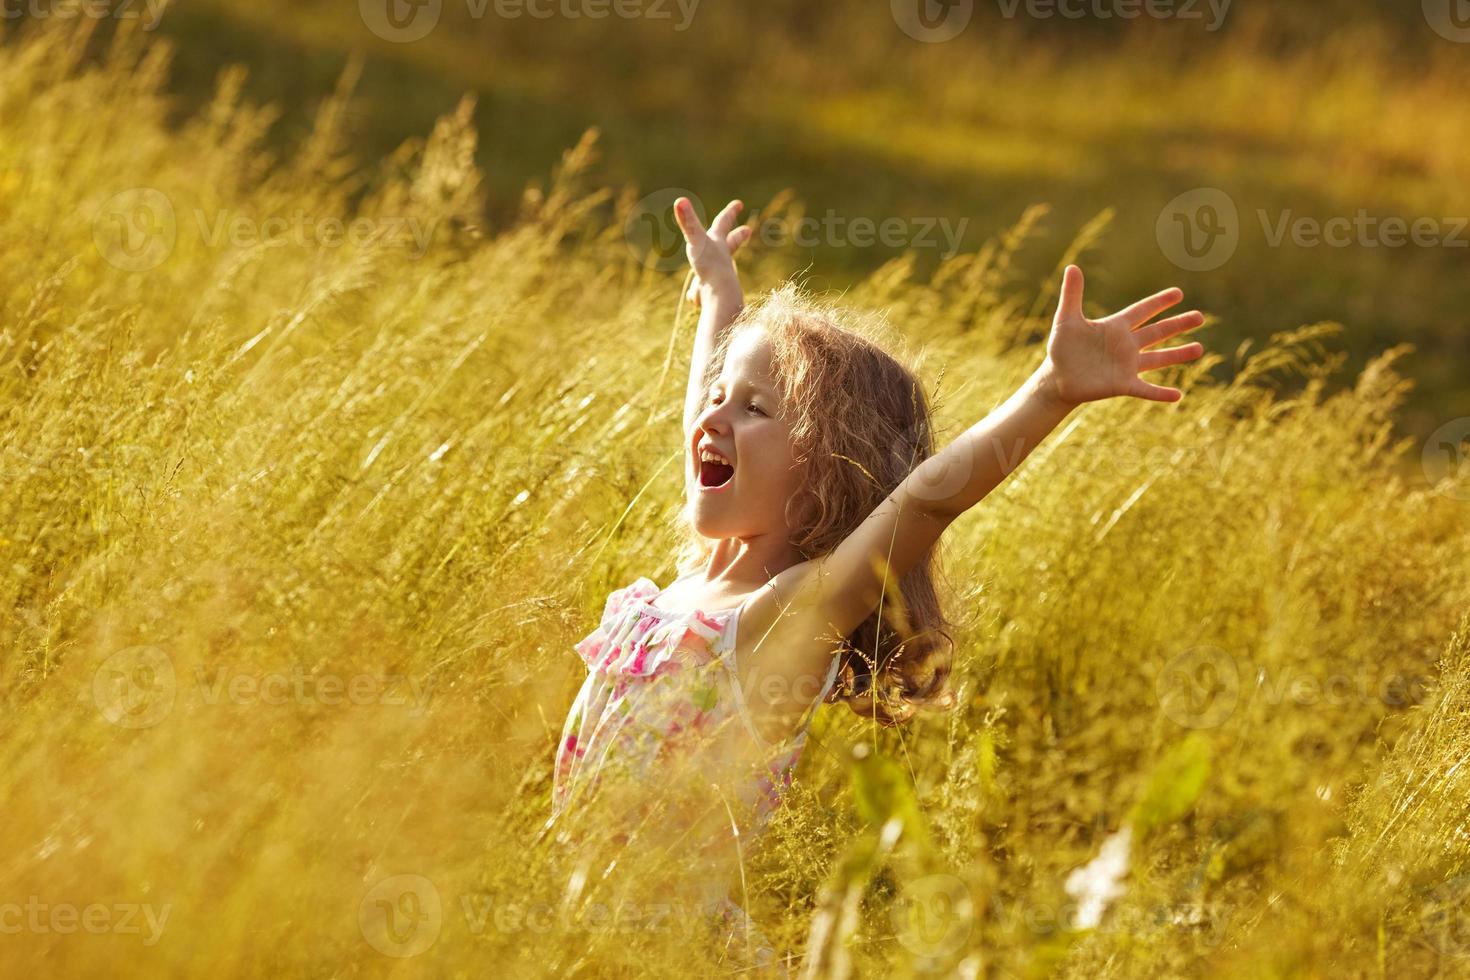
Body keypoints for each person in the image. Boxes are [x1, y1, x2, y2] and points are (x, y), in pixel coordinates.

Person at [545, 196, 1208, 969]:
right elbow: (705, 408)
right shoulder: (688, 589)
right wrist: (721, 299)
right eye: (719, 396)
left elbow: (928, 499)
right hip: (581, 930)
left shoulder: (775, 624)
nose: (712, 417)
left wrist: (1049, 393)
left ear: (823, 476)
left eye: (755, 408)